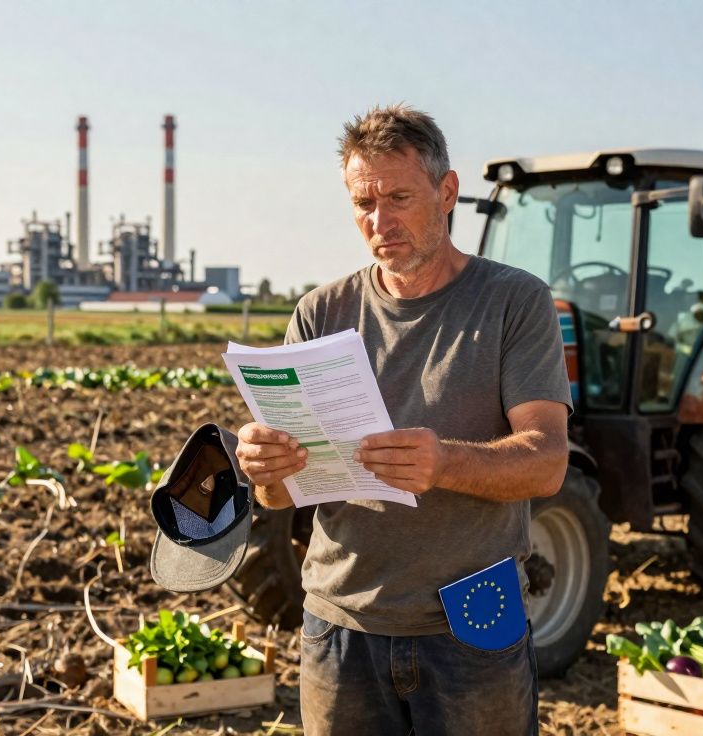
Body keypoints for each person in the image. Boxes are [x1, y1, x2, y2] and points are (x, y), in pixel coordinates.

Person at [234, 104, 572, 735]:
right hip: (341, 628)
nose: (378, 221)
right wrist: (267, 470)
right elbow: (279, 496)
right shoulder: (319, 312)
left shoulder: (513, 302)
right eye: (363, 202)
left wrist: (445, 461)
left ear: (447, 192)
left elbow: (548, 461)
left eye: (399, 197)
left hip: (472, 627)